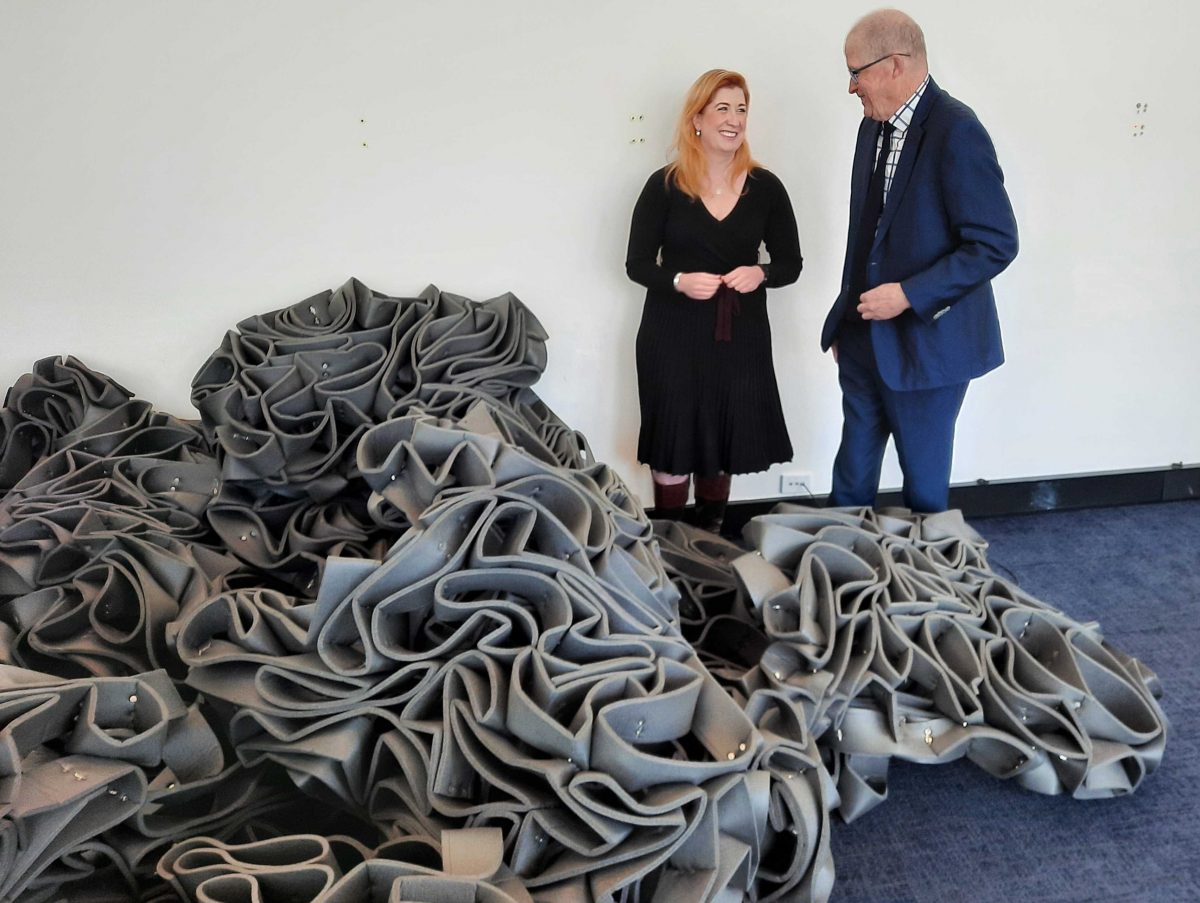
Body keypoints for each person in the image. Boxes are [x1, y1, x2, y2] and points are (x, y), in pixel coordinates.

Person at [821, 9, 1018, 513]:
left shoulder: (957, 130)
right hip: (864, 338)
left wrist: (908, 295)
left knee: (924, 495)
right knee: (849, 485)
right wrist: (847, 322)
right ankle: (841, 585)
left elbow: (995, 242)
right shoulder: (873, 126)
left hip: (931, 347)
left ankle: (927, 589)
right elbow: (866, 233)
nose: (850, 88)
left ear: (893, 65)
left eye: (855, 72)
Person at [626, 69, 802, 532]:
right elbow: (637, 264)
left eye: (741, 109)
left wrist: (760, 272)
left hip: (738, 336)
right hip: (671, 334)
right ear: (697, 119)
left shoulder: (767, 188)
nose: (734, 119)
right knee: (673, 440)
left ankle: (710, 543)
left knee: (721, 441)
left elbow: (791, 264)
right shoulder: (663, 186)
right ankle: (668, 544)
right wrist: (679, 280)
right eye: (722, 108)